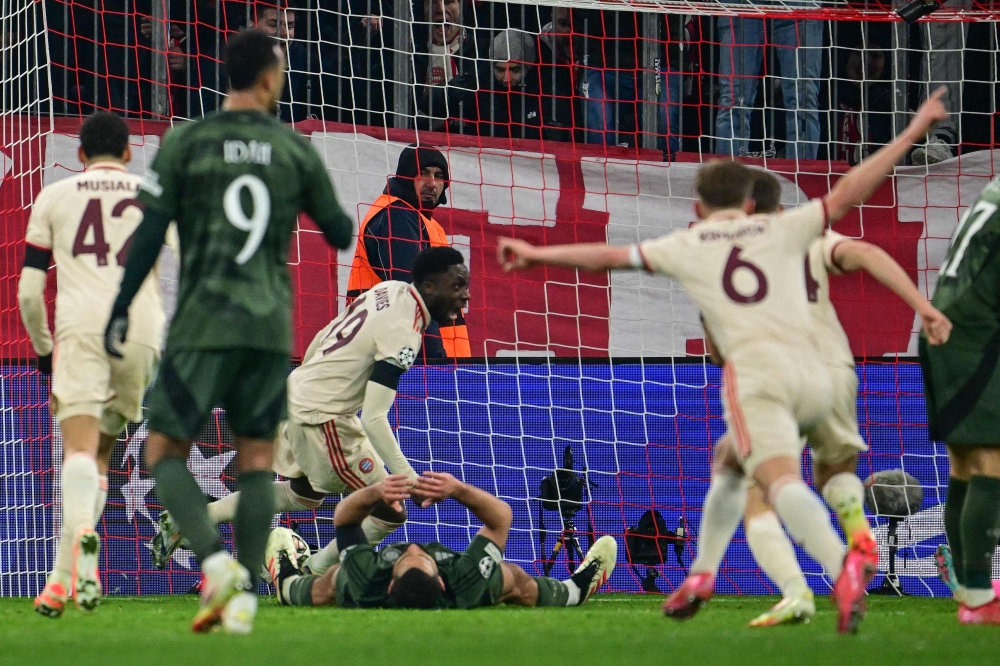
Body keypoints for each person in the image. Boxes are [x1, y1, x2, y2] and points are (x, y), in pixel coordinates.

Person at [496, 88, 948, 633]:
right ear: (755, 204)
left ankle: (842, 563)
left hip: (762, 373)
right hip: (828, 368)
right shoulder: (791, 227)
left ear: (698, 206)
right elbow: (852, 197)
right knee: (743, 460)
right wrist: (910, 129)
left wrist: (536, 253)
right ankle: (715, 571)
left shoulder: (694, 242)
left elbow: (609, 258)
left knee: (773, 483)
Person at [103, 29, 354, 634]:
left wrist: (119, 306)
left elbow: (147, 233)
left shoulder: (186, 141)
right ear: (269, 78)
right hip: (268, 328)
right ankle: (244, 594)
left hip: (202, 323)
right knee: (258, 462)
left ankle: (217, 567)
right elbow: (342, 231)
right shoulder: (293, 148)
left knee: (163, 452)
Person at [721, 170, 952, 627]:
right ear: (781, 210)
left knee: (756, 488)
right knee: (834, 473)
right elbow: (865, 252)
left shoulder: (728, 256)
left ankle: (795, 590)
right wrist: (923, 306)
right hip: (836, 370)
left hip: (779, 377)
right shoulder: (809, 237)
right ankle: (858, 534)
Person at [151, 248, 470, 574]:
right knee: (392, 510)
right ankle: (310, 574)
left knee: (304, 495)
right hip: (323, 416)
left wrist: (314, 380)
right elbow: (374, 418)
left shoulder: (388, 290)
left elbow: (322, 336)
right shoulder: (404, 331)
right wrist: (409, 478)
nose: (466, 295)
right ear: (430, 287)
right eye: (457, 286)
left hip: (298, 393)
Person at [20, 112, 167, 618]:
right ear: (129, 153)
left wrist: (43, 350)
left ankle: (80, 542)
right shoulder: (152, 193)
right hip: (142, 329)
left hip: (82, 328)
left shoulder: (55, 197)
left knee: (77, 451)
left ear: (79, 155)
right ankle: (62, 579)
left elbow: (29, 293)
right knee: (102, 451)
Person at [266, 472, 617, 609]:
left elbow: (342, 518)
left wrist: (375, 491)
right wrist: (458, 489)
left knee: (329, 585)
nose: (415, 549)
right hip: (465, 588)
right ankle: (574, 591)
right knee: (511, 578)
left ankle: (286, 582)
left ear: (390, 582)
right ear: (439, 576)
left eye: (406, 558)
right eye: (422, 558)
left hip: (361, 585)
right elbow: (501, 519)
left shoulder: (366, 580)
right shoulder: (465, 581)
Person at [920, 172, 1000, 624]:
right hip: (973, 335)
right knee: (990, 462)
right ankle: (979, 599)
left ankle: (972, 595)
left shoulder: (992, 189)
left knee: (964, 465)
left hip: (940, 328)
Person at [347, 145, 471, 358]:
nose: (432, 183)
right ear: (405, 176)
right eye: (423, 173)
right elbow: (414, 297)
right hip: (415, 371)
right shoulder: (398, 216)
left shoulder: (421, 221)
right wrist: (434, 362)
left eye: (439, 176)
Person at [713, 8, 824, 161]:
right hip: (742, 4)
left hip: (798, 5)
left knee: (803, 97)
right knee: (734, 98)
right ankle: (727, 177)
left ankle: (803, 177)